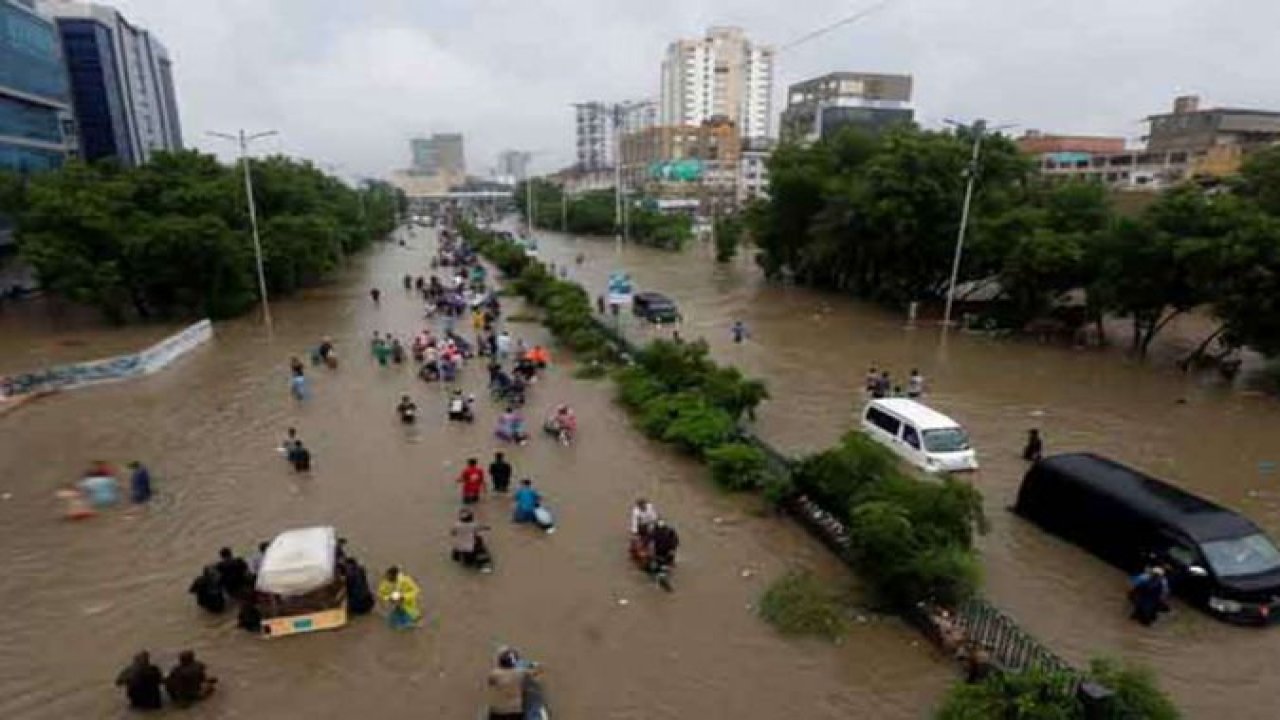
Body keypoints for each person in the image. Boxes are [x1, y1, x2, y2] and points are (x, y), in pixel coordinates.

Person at [486, 649, 539, 720]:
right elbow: (535, 672)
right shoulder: (520, 673)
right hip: (515, 710)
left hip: (498, 710)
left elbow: (491, 682)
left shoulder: (495, 674)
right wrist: (532, 664)